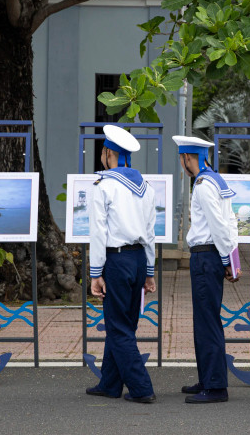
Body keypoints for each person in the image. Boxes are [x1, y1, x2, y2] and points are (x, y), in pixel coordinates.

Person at [85, 124, 157, 404]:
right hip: (139, 258)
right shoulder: (146, 187)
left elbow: (98, 232)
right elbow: (150, 233)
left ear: (108, 153)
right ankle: (110, 384)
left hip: (116, 259)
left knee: (118, 327)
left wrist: (95, 273)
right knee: (126, 322)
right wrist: (149, 272)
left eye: (104, 152)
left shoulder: (104, 186)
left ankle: (141, 388)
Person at [173, 135, 239, 404]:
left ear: (189, 158)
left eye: (182, 159)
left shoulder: (202, 185)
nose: (182, 164)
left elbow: (218, 225)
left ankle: (215, 387)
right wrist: (231, 257)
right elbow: (231, 222)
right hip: (214, 255)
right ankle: (207, 379)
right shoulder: (216, 180)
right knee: (205, 320)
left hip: (206, 257)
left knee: (207, 322)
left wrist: (226, 260)